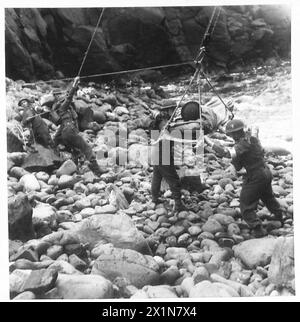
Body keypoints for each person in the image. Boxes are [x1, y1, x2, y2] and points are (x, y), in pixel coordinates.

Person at [205, 119, 283, 238]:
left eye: (232, 133)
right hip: (266, 172)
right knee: (267, 197)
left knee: (245, 205)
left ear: (236, 133)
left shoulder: (243, 144)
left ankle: (257, 228)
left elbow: (227, 153)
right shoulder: (250, 138)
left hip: (255, 176)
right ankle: (279, 216)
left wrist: (209, 142)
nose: (231, 136)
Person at [51, 76, 105, 176]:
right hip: (70, 132)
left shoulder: (62, 110)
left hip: (66, 134)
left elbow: (58, 135)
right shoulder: (63, 107)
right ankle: (97, 170)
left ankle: (75, 171)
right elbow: (69, 97)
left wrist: (53, 144)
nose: (63, 97)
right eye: (61, 95)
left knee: (76, 151)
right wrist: (75, 84)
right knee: (87, 148)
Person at [150, 110, 187, 213]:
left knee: (157, 176)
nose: (168, 122)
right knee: (173, 179)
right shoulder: (164, 131)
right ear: (160, 121)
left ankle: (155, 198)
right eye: (165, 121)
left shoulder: (154, 128)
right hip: (163, 156)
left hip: (156, 155)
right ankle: (178, 204)